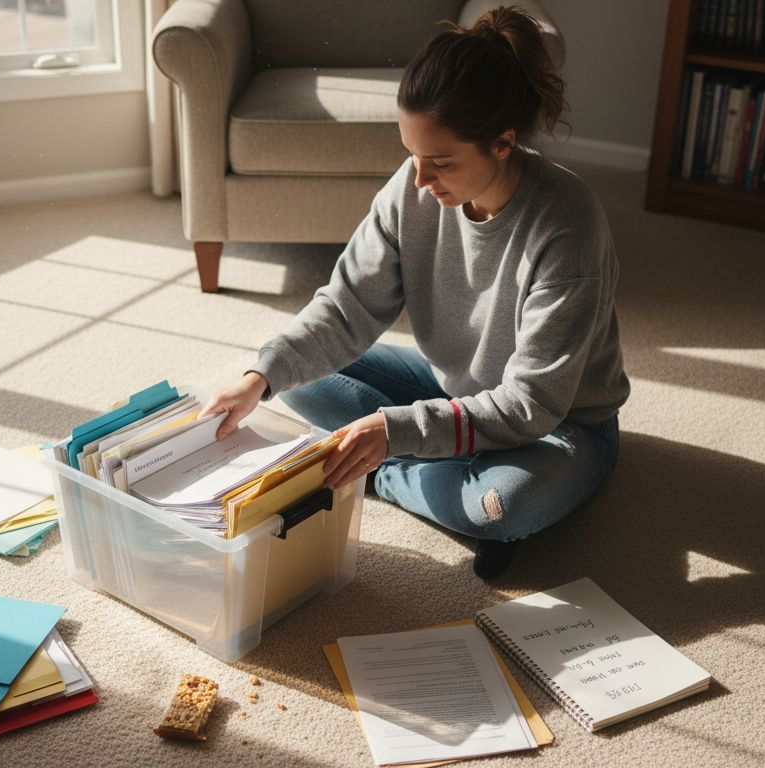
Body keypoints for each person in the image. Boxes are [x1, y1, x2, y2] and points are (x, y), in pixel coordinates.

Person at [200, 6, 629, 579]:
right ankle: (419, 460)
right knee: (290, 375)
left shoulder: (567, 226)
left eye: (441, 162)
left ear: (503, 143)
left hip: (561, 423)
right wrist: (259, 378)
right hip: (454, 388)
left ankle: (382, 472)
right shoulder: (413, 186)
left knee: (502, 505)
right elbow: (346, 304)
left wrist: (394, 433)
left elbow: (532, 405)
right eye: (413, 156)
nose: (421, 180)